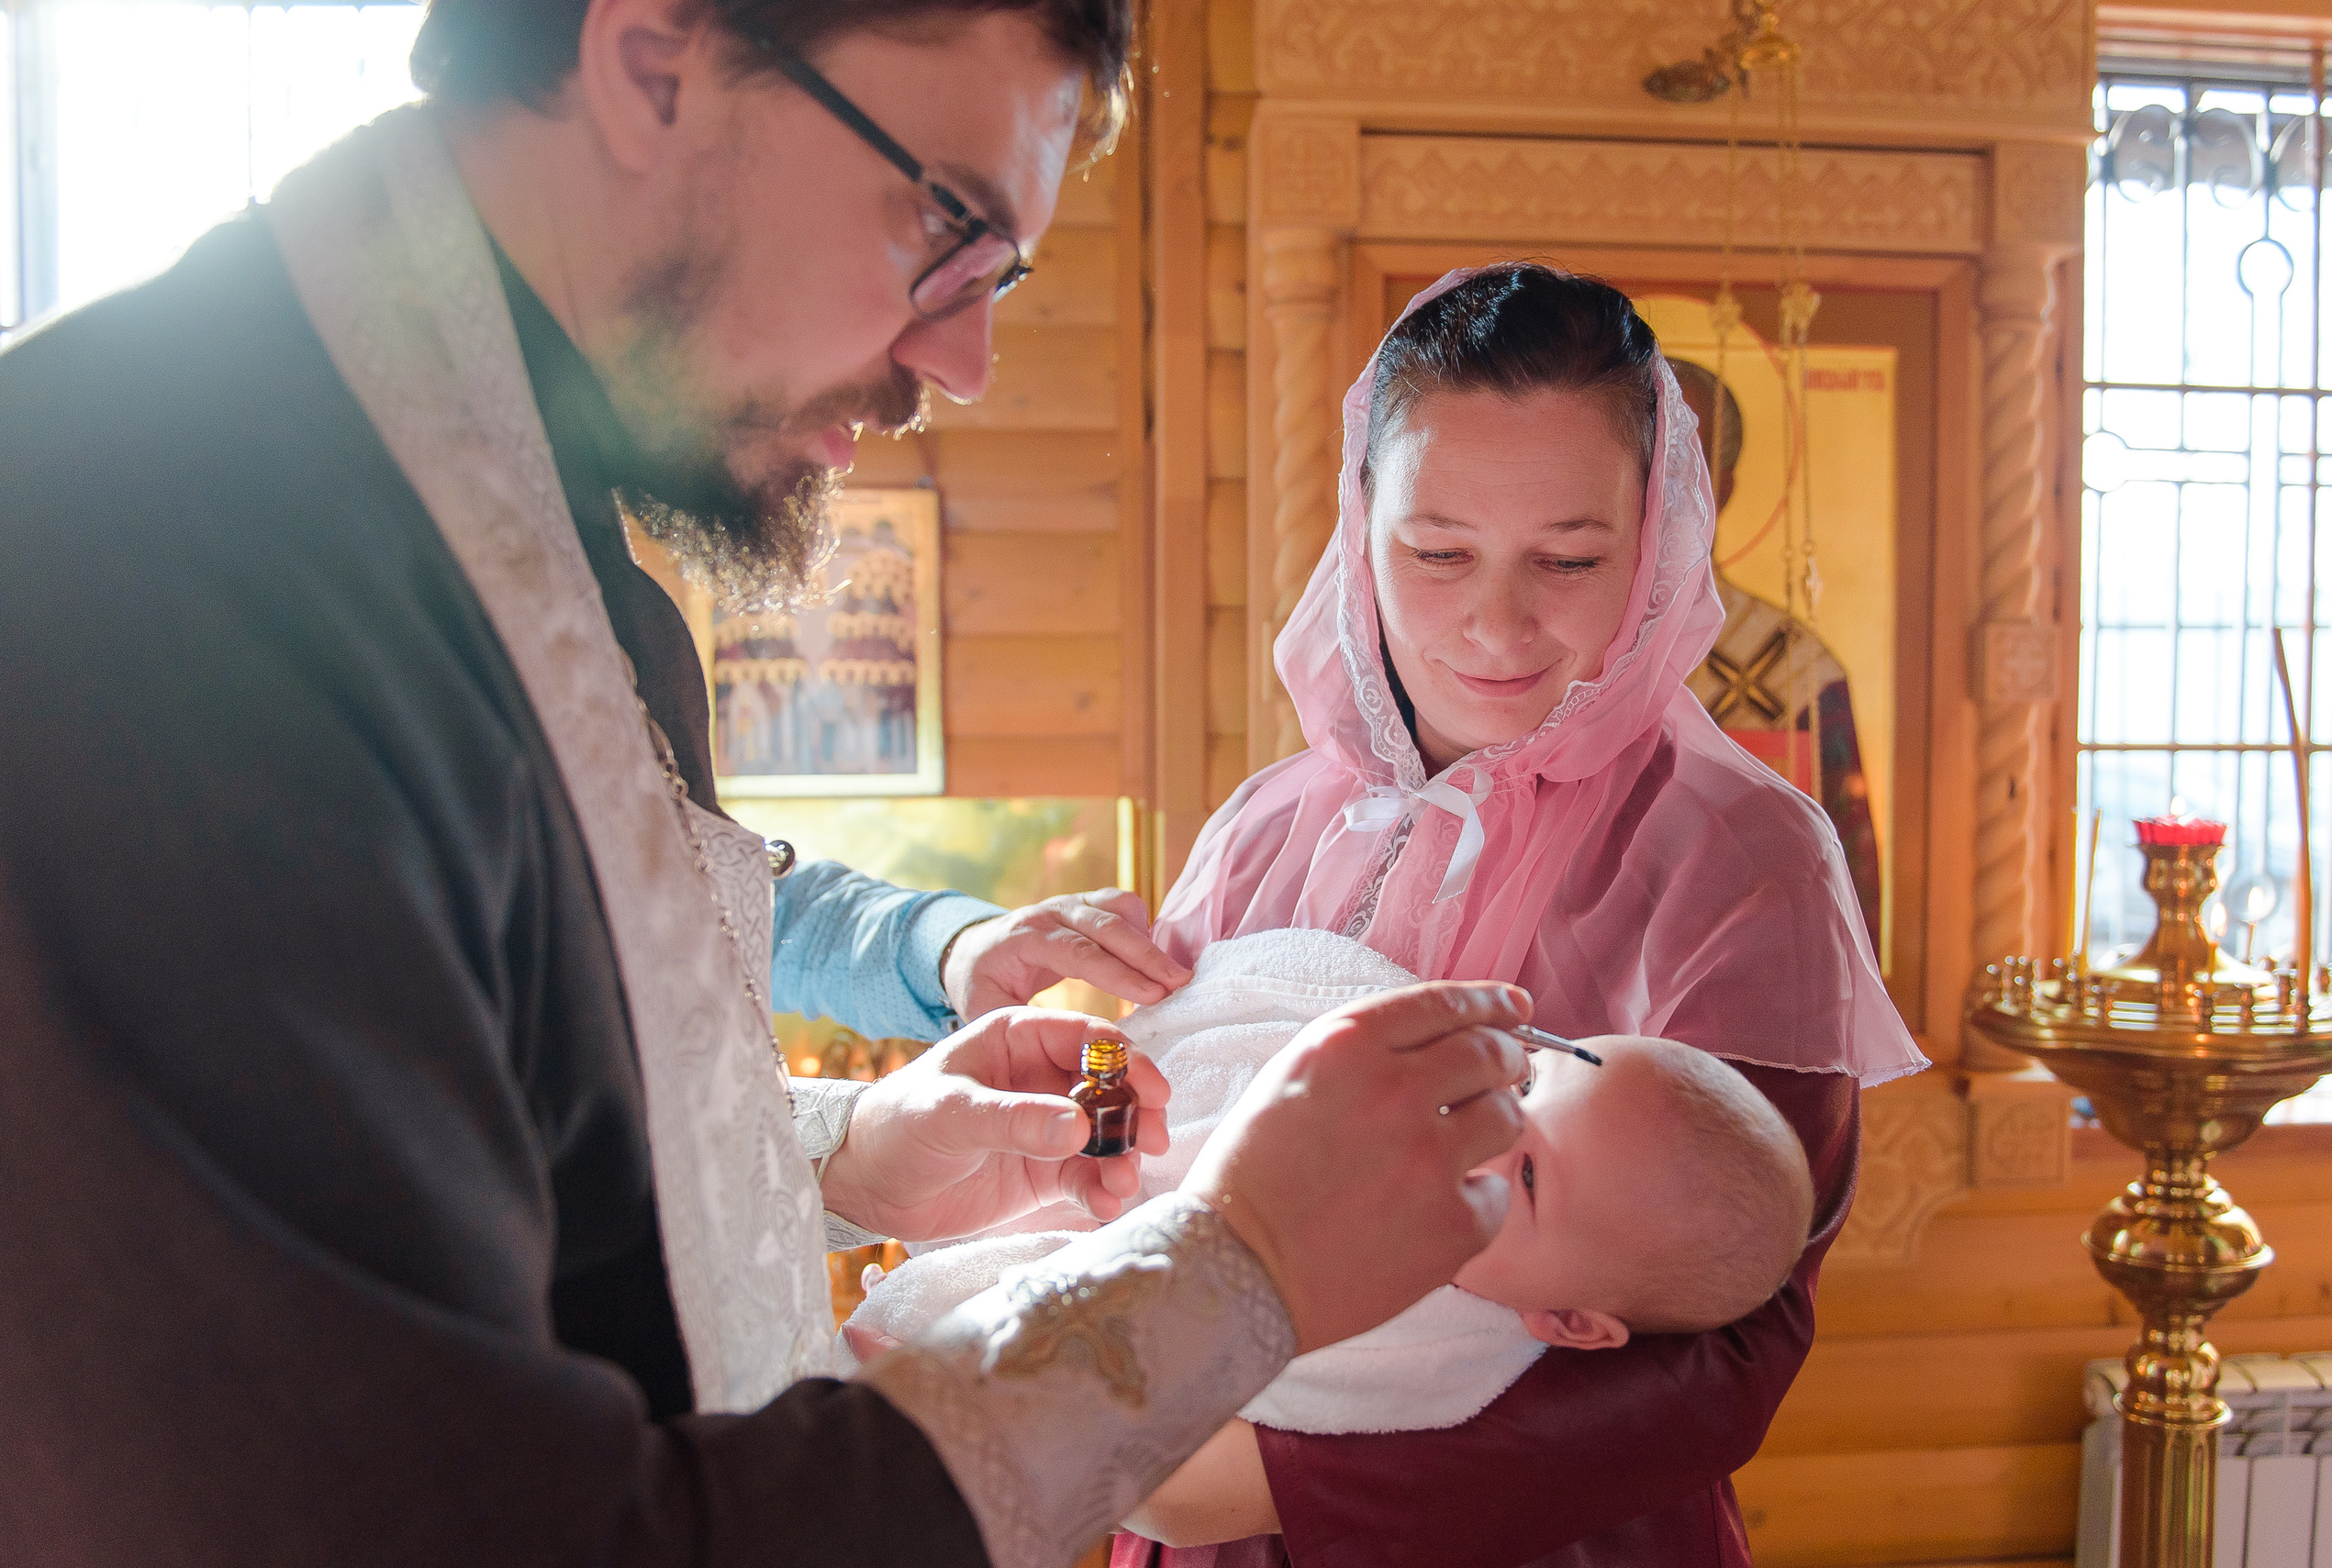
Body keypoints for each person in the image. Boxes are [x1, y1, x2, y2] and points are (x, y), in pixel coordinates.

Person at [0, 1, 1538, 1562]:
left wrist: (843, 1152)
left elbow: (472, 1125)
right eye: (948, 224)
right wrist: (1237, 1261)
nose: (970, 357)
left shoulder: (543, 536)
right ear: (655, 57)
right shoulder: (130, 566)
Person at [1116, 263, 1929, 1566]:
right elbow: (1149, 1123)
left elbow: (1730, 1338)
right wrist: (1065, 1063)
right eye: (1437, 554)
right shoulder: (1264, 825)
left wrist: (1252, 1480)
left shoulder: (1742, 856)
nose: (1497, 622)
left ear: (1656, 538)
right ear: (1360, 523)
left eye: (1569, 557)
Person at [847, 928, 1814, 1438]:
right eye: (1527, 1076)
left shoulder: (1430, 1357)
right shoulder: (1397, 1061)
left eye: (1524, 1172)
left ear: (1567, 1319)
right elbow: (1285, 986)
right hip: (1025, 1155)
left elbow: (1160, 1385)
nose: (1483, 1117)